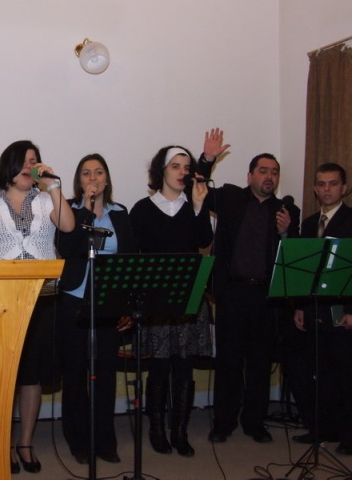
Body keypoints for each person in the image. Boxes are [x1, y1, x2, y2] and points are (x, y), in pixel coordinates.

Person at [0, 140, 74, 474]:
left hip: (44, 298)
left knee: (33, 376)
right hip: (2, 301)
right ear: (10, 166)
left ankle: (25, 443)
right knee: (6, 376)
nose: (31, 166)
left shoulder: (46, 200)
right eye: (26, 161)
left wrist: (53, 186)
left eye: (35, 161)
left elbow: (68, 226)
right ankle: (2, 441)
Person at [200, 148, 301, 444]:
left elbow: (294, 256)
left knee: (259, 363)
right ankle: (224, 422)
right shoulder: (230, 198)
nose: (269, 176)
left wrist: (286, 233)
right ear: (250, 176)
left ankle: (255, 422)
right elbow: (199, 188)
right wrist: (207, 160)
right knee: (228, 361)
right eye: (263, 171)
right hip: (232, 293)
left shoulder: (286, 211)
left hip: (266, 297)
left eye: (274, 172)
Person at [129, 138, 216, 457]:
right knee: (159, 366)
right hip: (156, 300)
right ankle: (156, 429)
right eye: (175, 166)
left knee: (184, 367)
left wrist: (199, 206)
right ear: (161, 171)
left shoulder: (193, 205)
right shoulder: (142, 209)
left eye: (186, 167)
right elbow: (133, 255)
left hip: (188, 296)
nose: (182, 172)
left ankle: (180, 431)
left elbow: (203, 240)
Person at [291, 163, 352, 456]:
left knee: (349, 374)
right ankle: (324, 428)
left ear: (343, 187)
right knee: (320, 373)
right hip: (315, 310)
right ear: (315, 189)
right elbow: (306, 271)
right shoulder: (309, 224)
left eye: (332, 183)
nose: (326, 189)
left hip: (346, 309)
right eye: (321, 184)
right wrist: (301, 307)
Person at [56, 153, 135, 465]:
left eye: (99, 172)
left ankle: (104, 440)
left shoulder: (120, 213)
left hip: (108, 302)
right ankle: (78, 440)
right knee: (75, 373)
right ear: (79, 181)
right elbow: (69, 248)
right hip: (74, 299)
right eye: (86, 173)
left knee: (105, 374)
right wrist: (86, 211)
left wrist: (128, 305)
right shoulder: (69, 211)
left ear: (107, 178)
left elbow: (129, 261)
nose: (93, 178)